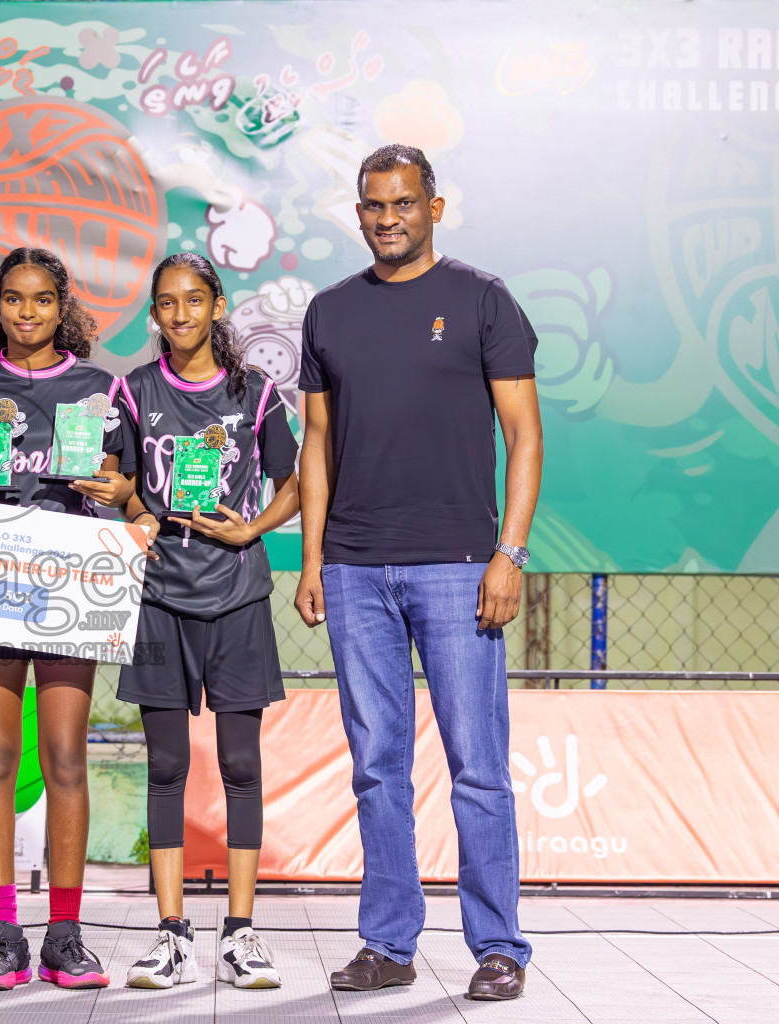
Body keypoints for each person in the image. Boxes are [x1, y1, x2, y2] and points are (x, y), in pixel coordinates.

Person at [293, 145, 542, 1001]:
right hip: (357, 571)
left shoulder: (482, 300)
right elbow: (316, 442)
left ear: (435, 207)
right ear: (357, 213)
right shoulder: (327, 313)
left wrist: (509, 555)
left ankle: (499, 945)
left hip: (461, 568)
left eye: (402, 203)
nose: (386, 218)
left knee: (477, 763)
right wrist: (314, 556)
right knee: (377, 765)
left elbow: (526, 438)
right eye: (372, 205)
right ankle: (388, 943)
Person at [0, 247, 134, 990]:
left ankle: (66, 936)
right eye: (13, 300)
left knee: (65, 759)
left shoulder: (98, 386)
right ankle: (1, 934)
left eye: (41, 300)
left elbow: (126, 484)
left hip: (69, 582)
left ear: (62, 305)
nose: (27, 313)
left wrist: (115, 491)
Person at [115, 253, 300, 991]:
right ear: (154, 315)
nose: (182, 314)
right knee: (165, 768)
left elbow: (295, 482)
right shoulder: (133, 392)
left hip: (236, 600)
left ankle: (242, 933)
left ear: (217, 305)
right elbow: (121, 485)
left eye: (195, 300)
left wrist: (250, 529)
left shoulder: (256, 394)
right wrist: (133, 511)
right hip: (159, 600)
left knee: (240, 767)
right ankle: (169, 935)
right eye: (167, 303)